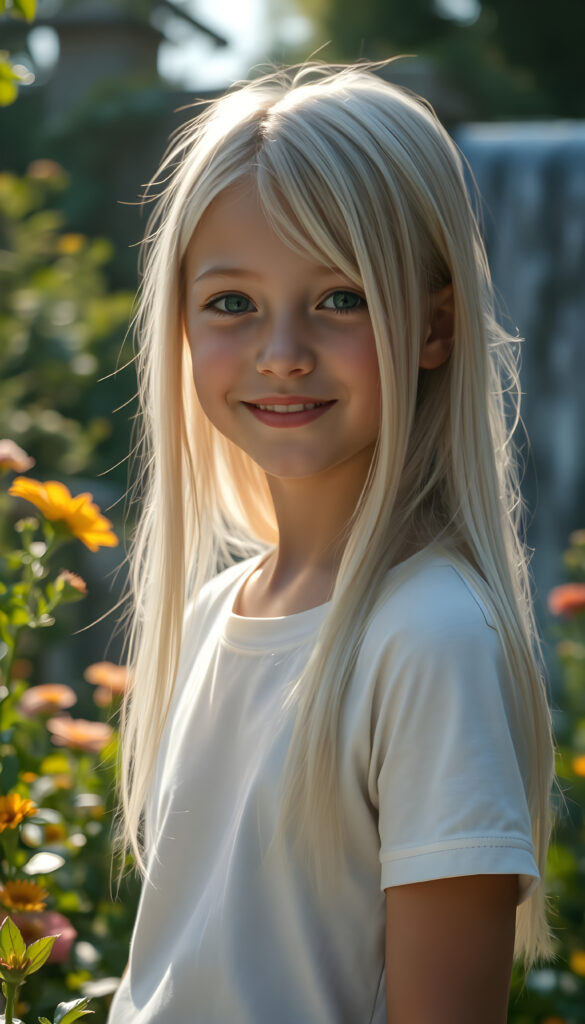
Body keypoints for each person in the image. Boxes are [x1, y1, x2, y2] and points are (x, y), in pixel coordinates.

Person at [106, 61, 556, 1023]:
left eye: (341, 296)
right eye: (231, 303)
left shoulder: (429, 639)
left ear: (434, 326)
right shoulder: (208, 613)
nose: (282, 350)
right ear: (179, 324)